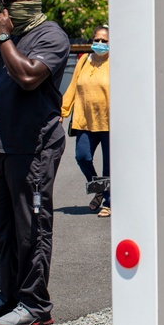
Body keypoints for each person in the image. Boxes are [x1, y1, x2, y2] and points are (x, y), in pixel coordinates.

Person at [0, 0, 70, 325]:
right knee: (2, 224)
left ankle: (35, 304)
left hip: (34, 146)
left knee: (32, 227)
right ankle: (10, 295)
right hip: (3, 145)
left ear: (29, 0)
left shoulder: (51, 36)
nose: (2, 11)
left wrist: (2, 37)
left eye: (8, 4)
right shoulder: (11, 37)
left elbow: (29, 77)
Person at [60, 25, 111, 216]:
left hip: (108, 121)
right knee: (82, 157)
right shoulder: (83, 61)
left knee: (109, 165)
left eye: (104, 41)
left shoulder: (116, 62)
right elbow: (73, 87)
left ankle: (108, 201)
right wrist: (63, 111)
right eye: (96, 40)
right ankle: (99, 189)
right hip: (85, 120)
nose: (99, 44)